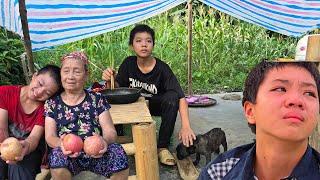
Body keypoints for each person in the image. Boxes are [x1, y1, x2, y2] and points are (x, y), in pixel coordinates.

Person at [199, 60, 320, 179]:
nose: (296, 100)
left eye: (309, 93)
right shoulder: (217, 174)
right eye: (280, 89)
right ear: (250, 111)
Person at [102, 24, 196, 166]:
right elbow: (116, 91)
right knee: (109, 101)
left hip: (155, 105)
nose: (144, 45)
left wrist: (186, 126)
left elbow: (181, 97)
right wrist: (109, 79)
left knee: (172, 97)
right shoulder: (128, 64)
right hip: (134, 106)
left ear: (153, 44)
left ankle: (162, 148)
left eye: (148, 41)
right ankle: (119, 141)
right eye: (138, 41)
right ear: (132, 45)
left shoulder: (162, 68)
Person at [44, 51, 129, 180]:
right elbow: (49, 137)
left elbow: (110, 131)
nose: (70, 76)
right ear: (61, 74)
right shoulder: (52, 103)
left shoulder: (97, 98)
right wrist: (61, 144)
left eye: (77, 72)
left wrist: (104, 141)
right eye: (66, 71)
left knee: (117, 151)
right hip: (69, 155)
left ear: (86, 75)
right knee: (56, 156)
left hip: (97, 153)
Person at [0, 65, 62, 180]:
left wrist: (26, 147)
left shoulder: (46, 108)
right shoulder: (5, 92)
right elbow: (1, 129)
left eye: (47, 93)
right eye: (40, 83)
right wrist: (6, 150)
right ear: (34, 76)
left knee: (20, 169)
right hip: (4, 143)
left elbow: (34, 138)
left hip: (29, 151)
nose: (39, 92)